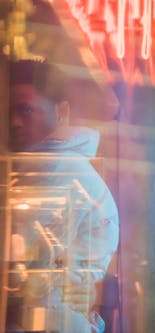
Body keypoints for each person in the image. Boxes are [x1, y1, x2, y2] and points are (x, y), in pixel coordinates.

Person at [6, 59, 119, 333]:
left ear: (62, 112)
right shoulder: (51, 165)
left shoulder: (57, 168)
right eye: (8, 111)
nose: (14, 122)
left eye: (26, 110)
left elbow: (13, 263)